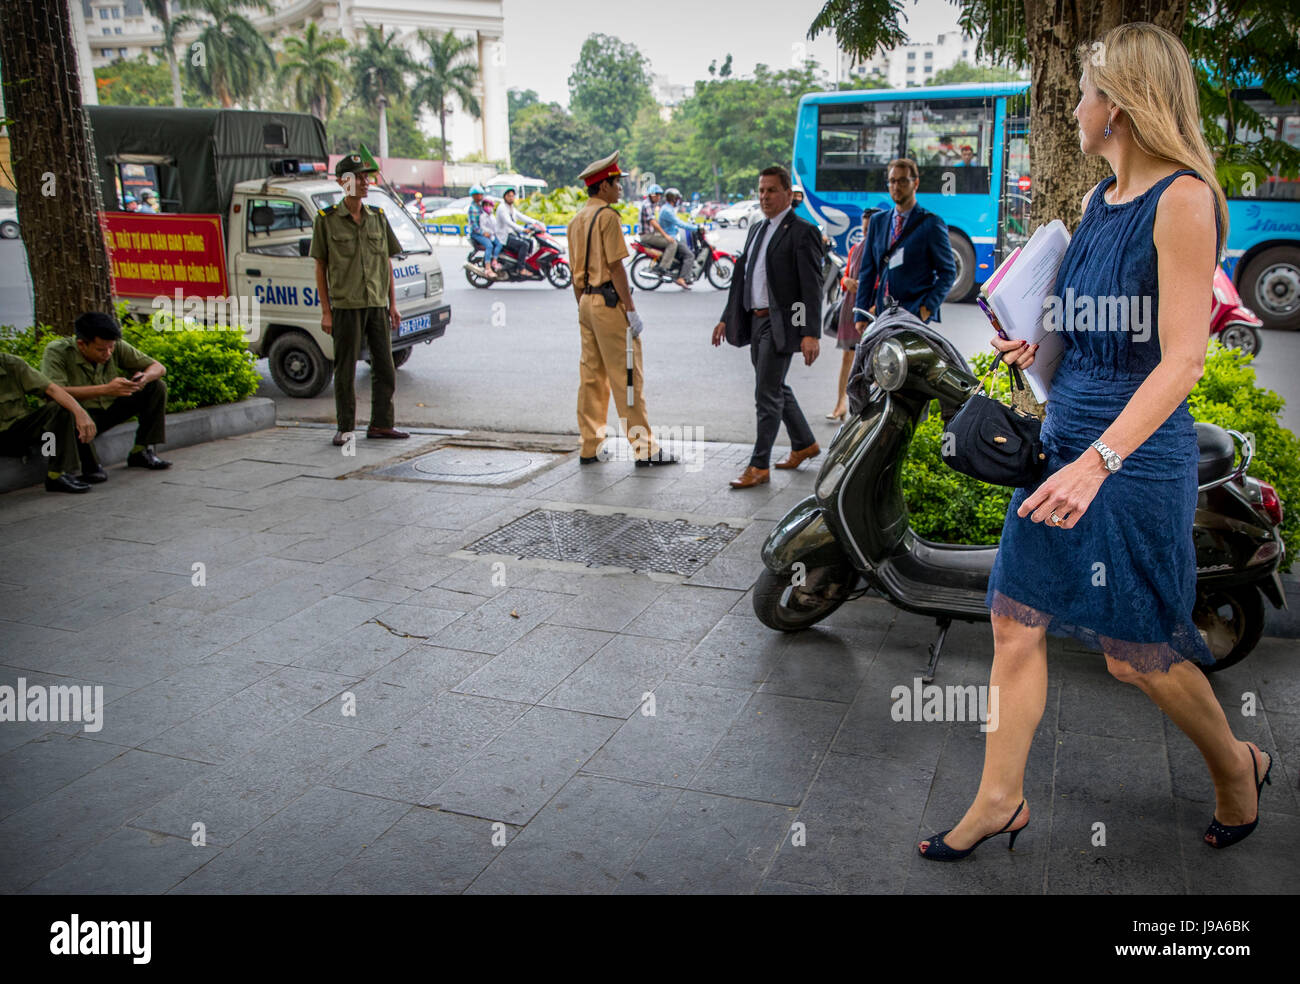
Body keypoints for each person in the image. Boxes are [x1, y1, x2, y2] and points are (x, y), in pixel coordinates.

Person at [919, 22, 1272, 862]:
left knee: (1137, 656)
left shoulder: (1184, 200)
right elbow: (1088, 329)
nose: (1074, 108)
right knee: (1013, 621)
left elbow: (1182, 358)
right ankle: (1000, 799)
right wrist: (1035, 348)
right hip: (1068, 438)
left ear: (1117, 106)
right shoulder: (1094, 201)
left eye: (1083, 93)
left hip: (1131, 458)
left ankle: (1237, 765)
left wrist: (1097, 463)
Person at [712, 165, 821, 489]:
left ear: (788, 194)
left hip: (780, 326)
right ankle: (804, 444)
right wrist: (724, 317)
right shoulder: (757, 229)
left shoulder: (802, 231)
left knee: (766, 393)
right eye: (761, 190)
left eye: (771, 190)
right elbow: (742, 277)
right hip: (756, 322)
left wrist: (809, 333)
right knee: (774, 387)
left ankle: (759, 466)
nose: (764, 196)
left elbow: (810, 288)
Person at [567, 151, 676, 467]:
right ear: (602, 186)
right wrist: (630, 310)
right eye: (616, 183)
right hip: (608, 304)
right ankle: (645, 450)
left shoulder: (576, 220)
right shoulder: (607, 218)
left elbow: (576, 274)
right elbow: (616, 268)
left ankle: (590, 447)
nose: (619, 189)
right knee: (627, 378)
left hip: (586, 302)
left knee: (591, 377)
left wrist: (584, 307)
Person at [310, 153, 409, 447]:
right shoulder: (326, 220)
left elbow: (387, 263)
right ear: (343, 182)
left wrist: (392, 304)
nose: (365, 182)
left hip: (377, 303)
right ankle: (345, 427)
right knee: (345, 370)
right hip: (345, 306)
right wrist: (326, 311)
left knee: (385, 368)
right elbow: (320, 266)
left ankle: (381, 424)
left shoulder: (377, 217)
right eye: (359, 177)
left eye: (367, 177)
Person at [40, 311, 171, 479]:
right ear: (82, 344)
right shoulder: (57, 352)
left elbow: (159, 367)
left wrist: (143, 379)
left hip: (109, 410)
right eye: (101, 349)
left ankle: (141, 450)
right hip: (80, 418)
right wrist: (106, 389)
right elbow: (54, 392)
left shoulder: (113, 345)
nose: (108, 353)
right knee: (62, 408)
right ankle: (88, 467)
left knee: (156, 386)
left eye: (111, 348)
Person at [852, 158, 956, 333]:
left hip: (912, 316)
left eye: (902, 181)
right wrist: (861, 314)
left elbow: (948, 272)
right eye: (892, 181)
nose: (896, 186)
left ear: (915, 183)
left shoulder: (931, 224)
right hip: (881, 314)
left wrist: (927, 308)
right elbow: (867, 271)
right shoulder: (878, 221)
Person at [0, 352, 98, 493]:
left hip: (17, 431)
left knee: (59, 408)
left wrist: (81, 413)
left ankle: (56, 474)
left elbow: (51, 389)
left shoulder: (9, 363)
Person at [826, 208, 879, 421]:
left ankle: (869, 409)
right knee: (847, 357)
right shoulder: (856, 249)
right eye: (864, 228)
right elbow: (845, 275)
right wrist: (847, 282)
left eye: (870, 228)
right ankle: (840, 404)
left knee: (872, 360)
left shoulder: (881, 250)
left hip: (872, 309)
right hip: (851, 307)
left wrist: (867, 287)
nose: (866, 232)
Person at [637, 184, 684, 285]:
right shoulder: (648, 205)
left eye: (659, 195)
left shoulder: (651, 204)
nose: (658, 198)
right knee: (672, 243)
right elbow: (653, 223)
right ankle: (663, 267)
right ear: (651, 195)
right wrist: (666, 235)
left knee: (670, 239)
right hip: (647, 236)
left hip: (650, 234)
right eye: (657, 195)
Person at [657, 189, 699, 287]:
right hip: (671, 238)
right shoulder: (667, 210)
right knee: (690, 255)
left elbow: (678, 221)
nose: (678, 201)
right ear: (673, 199)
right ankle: (682, 278)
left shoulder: (668, 208)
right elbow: (679, 223)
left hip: (673, 236)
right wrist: (695, 228)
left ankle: (685, 276)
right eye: (677, 198)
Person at [494, 187, 542, 269]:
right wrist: (523, 229)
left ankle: (524, 263)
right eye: (509, 196)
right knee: (524, 244)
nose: (511, 198)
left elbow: (521, 217)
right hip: (504, 236)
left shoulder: (511, 208)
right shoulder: (502, 208)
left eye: (513, 196)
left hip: (511, 234)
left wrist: (536, 222)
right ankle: (521, 268)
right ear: (505, 197)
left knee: (530, 241)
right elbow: (509, 222)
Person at [466, 185, 504, 277]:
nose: (479, 196)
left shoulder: (482, 206)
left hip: (488, 232)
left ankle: (495, 261)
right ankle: (488, 268)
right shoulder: (472, 208)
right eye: (477, 195)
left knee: (499, 243)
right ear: (473, 196)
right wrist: (483, 233)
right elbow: (474, 225)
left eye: (480, 194)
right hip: (477, 234)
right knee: (489, 246)